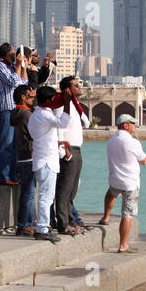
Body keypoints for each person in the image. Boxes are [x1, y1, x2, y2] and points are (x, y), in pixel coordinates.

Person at [29, 84, 71, 243]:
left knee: (46, 196)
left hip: (43, 160)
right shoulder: (43, 114)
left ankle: (43, 227)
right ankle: (41, 228)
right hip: (46, 161)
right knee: (46, 197)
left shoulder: (37, 114)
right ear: (48, 100)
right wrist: (66, 103)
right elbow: (63, 123)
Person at [103, 113, 146, 253]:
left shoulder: (111, 140)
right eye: (133, 123)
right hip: (130, 182)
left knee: (111, 193)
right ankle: (123, 245)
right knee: (127, 214)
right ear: (126, 125)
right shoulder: (133, 142)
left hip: (115, 178)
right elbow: (144, 160)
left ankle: (106, 217)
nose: (135, 126)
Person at [53, 75, 91, 235]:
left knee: (72, 190)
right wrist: (64, 152)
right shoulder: (62, 105)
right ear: (68, 89)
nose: (79, 88)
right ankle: (63, 224)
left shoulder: (75, 105)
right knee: (64, 190)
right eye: (76, 85)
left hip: (77, 150)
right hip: (69, 151)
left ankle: (71, 220)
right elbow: (58, 129)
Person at [0, 43, 27, 185]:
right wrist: (18, 65)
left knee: (13, 145)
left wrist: (23, 65)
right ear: (7, 54)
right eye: (13, 53)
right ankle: (4, 176)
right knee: (5, 143)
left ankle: (13, 174)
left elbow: (23, 83)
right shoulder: (0, 66)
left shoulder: (12, 67)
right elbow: (13, 81)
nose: (15, 56)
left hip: (14, 109)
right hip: (5, 109)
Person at [9, 84, 35, 234]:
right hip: (29, 156)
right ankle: (24, 225)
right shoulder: (26, 114)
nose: (33, 99)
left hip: (22, 156)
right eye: (30, 96)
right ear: (23, 97)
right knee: (29, 193)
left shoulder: (16, 113)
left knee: (27, 193)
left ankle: (25, 224)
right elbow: (33, 135)